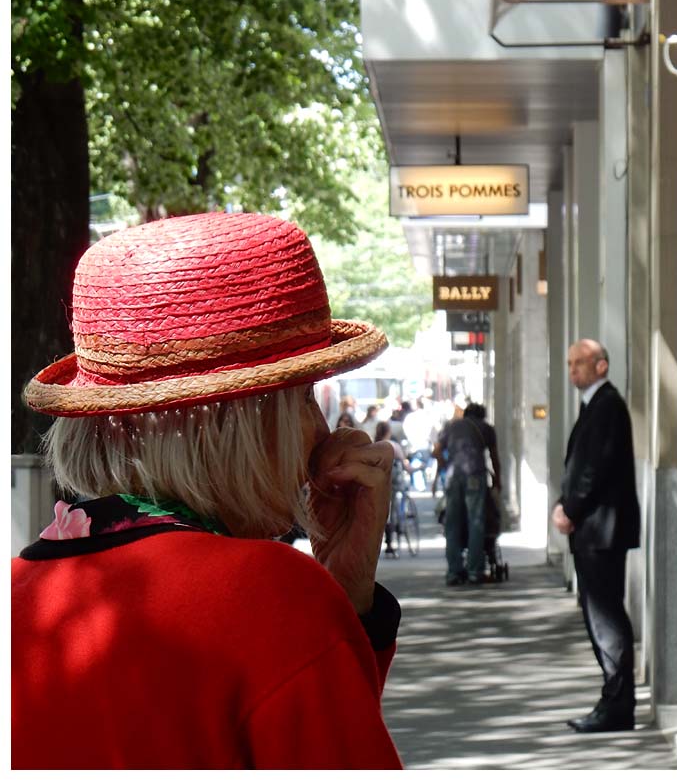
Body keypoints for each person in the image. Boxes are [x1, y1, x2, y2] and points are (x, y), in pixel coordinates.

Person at [12, 211, 403, 770]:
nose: (321, 430)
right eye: (301, 396)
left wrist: (345, 605)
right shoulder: (270, 593)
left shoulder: (20, 598)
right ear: (228, 422)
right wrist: (331, 607)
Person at [551, 338, 640, 734]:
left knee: (606, 619)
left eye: (579, 363)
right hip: (593, 532)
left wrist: (570, 509)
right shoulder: (595, 405)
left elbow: (594, 470)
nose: (573, 370)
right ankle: (613, 699)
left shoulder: (608, 406)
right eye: (569, 364)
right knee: (599, 616)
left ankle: (618, 704)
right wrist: (562, 502)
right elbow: (579, 466)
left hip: (601, 532)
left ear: (601, 366)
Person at [438, 402, 501, 586]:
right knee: (476, 522)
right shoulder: (487, 428)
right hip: (475, 475)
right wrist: (498, 480)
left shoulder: (452, 426)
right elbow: (494, 457)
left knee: (452, 524)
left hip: (453, 476)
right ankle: (475, 572)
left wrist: (444, 465)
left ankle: (454, 572)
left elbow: (436, 450)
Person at [374, 420, 411, 556]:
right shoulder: (393, 446)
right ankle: (396, 531)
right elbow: (405, 463)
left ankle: (387, 539)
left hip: (378, 483)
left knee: (383, 511)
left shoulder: (373, 446)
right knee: (394, 509)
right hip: (394, 482)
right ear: (388, 432)